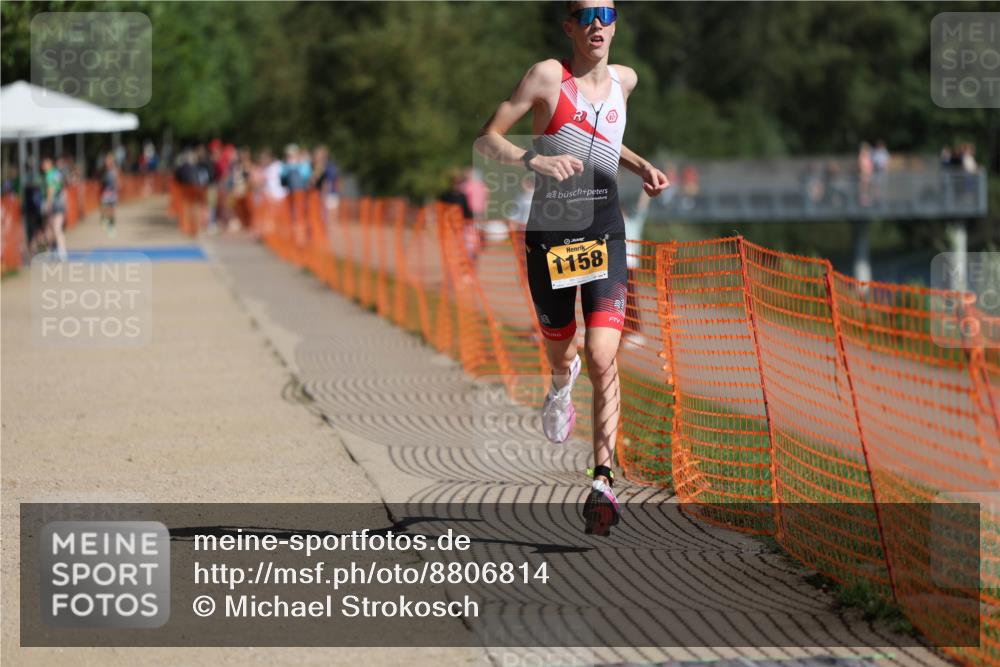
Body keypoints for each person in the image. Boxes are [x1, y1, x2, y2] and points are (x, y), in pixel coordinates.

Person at [476, 0, 668, 535]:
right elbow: (487, 138)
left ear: (616, 24)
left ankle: (602, 482)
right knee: (563, 351)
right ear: (569, 27)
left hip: (605, 233)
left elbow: (605, 140)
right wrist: (533, 158)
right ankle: (561, 384)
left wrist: (641, 164)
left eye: (606, 13)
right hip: (552, 235)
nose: (597, 24)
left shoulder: (626, 81)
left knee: (603, 354)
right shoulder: (546, 77)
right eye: (586, 16)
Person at [41, 156, 68, 261]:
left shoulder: (49, 175)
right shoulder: (57, 173)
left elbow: (51, 189)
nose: (43, 166)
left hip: (55, 204)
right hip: (60, 202)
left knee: (54, 228)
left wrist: (48, 204)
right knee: (54, 228)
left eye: (44, 163)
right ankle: (59, 250)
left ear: (49, 163)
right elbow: (62, 186)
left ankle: (58, 251)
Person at [100, 152, 120, 237]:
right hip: (106, 192)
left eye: (109, 160)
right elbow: (101, 182)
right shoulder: (104, 171)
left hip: (112, 193)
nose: (107, 162)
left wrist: (117, 187)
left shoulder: (115, 170)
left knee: (112, 210)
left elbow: (117, 181)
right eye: (107, 160)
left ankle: (112, 226)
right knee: (104, 208)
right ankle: (105, 220)